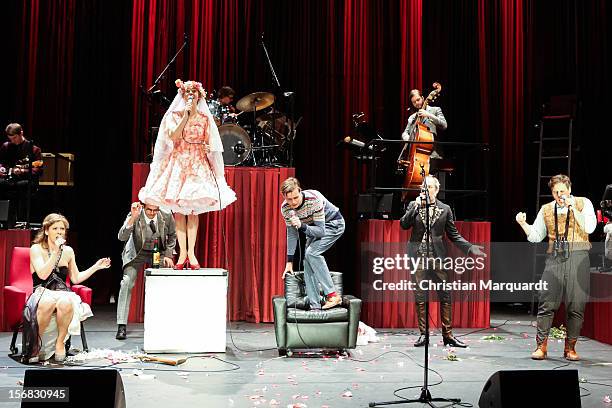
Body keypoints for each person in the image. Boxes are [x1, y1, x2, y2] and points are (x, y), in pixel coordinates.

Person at [139, 79, 236, 270]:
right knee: (179, 211)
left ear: (200, 96)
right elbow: (173, 137)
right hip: (178, 163)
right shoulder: (173, 116)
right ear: (182, 95)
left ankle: (191, 253)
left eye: (194, 93)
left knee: (192, 211)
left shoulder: (205, 119)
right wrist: (185, 115)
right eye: (187, 92)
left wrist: (209, 148)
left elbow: (211, 143)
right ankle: (182, 252)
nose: (191, 95)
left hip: (197, 163)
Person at [516, 174, 596, 361]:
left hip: (579, 257)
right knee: (547, 303)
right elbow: (535, 236)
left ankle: (570, 348)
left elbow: (590, 228)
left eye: (562, 191)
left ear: (569, 189)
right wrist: (523, 224)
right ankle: (541, 346)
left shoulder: (583, 203)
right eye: (555, 192)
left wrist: (572, 208)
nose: (559, 195)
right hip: (554, 259)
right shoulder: (546, 209)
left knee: (576, 305)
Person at [400, 175, 486, 348]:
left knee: (445, 295)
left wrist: (469, 247)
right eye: (424, 187)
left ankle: (448, 335)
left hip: (438, 258)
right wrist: (415, 206)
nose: (426, 190)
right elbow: (404, 224)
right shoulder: (413, 206)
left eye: (430, 187)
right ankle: (423, 335)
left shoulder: (445, 209)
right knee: (420, 296)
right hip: (418, 257)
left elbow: (453, 234)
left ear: (437, 190)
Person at [27, 213, 110, 362]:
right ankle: (36, 344)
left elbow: (75, 278)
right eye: (55, 228)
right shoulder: (36, 249)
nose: (59, 232)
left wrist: (96, 267)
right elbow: (43, 275)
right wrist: (56, 252)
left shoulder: (69, 251)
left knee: (66, 302)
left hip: (62, 292)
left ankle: (60, 344)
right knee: (47, 302)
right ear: (46, 231)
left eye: (62, 229)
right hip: (42, 291)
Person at [281, 177, 344, 310]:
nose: (293, 202)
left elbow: (321, 231)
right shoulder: (286, 209)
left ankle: (333, 295)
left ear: (299, 190)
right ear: (284, 197)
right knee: (307, 261)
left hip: (333, 224)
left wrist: (302, 226)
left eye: (295, 198)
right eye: (289, 199)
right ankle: (315, 306)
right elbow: (292, 234)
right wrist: (289, 261)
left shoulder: (314, 199)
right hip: (312, 228)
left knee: (311, 253)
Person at [116, 201, 176, 340]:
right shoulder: (136, 214)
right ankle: (121, 326)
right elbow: (122, 237)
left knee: (165, 280)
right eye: (149, 210)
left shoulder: (166, 215)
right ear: (143, 206)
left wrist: (168, 255)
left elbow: (172, 236)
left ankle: (162, 324)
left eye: (155, 210)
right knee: (126, 283)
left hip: (157, 252)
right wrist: (132, 218)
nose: (152, 213)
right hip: (136, 253)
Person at [0, 123, 42, 226]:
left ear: (21, 133)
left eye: (14, 138)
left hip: (25, 180)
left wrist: (23, 171)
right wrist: (1, 169)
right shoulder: (6, 146)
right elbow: (1, 162)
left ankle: (21, 222)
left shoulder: (33, 149)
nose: (12, 141)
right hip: (8, 179)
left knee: (22, 185)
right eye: (10, 138)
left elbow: (38, 170)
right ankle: (4, 221)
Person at [401, 89, 446, 160]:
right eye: (414, 102)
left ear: (422, 98)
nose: (416, 103)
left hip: (432, 155)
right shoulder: (412, 117)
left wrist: (428, 115)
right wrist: (408, 138)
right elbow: (405, 133)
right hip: (416, 155)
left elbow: (444, 125)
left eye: (418, 100)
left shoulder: (435, 110)